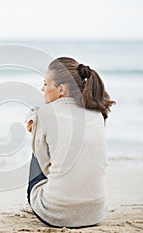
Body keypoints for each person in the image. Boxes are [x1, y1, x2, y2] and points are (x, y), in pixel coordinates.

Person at [26, 57, 115, 228]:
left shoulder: (44, 115)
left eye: (46, 84)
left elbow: (45, 167)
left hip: (55, 213)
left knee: (37, 146)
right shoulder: (96, 113)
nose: (42, 89)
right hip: (95, 212)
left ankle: (53, 198)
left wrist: (34, 123)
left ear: (62, 89)